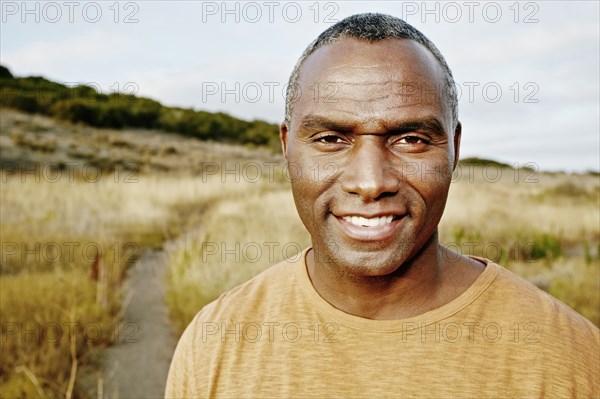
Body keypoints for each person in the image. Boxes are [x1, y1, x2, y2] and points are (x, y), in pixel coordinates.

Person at [166, 13, 599, 398]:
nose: (370, 183)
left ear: (454, 149)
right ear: (286, 147)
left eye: (410, 139)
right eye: (331, 139)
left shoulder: (570, 358)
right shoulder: (214, 341)